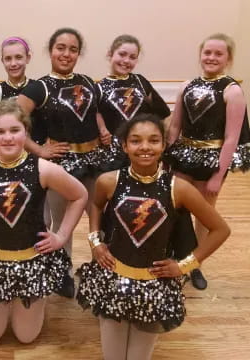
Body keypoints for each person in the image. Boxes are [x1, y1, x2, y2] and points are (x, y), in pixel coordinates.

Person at [77, 113, 230, 360]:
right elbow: (95, 206)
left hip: (154, 286)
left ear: (164, 145)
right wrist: (95, 240)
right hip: (113, 278)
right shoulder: (108, 181)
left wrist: (185, 265)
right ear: (124, 146)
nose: (145, 147)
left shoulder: (179, 188)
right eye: (136, 141)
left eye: (154, 140)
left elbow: (221, 229)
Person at [0, 100, 87, 344]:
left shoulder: (44, 169)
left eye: (14, 131)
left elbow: (79, 195)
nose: (7, 138)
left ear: (26, 133)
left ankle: (31, 301)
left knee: (27, 337)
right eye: (0, 131)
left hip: (32, 261)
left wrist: (60, 236)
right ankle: (2, 302)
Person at [166, 33, 250, 290]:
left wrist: (217, 175)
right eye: (208, 53)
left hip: (211, 161)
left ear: (228, 59)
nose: (211, 58)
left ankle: (195, 263)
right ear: (201, 55)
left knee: (203, 215)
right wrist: (166, 158)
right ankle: (176, 256)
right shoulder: (186, 86)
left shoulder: (232, 90)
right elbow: (176, 125)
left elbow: (231, 138)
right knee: (176, 211)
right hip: (183, 157)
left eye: (218, 54)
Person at [17, 27, 99, 263]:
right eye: (60, 48)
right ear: (50, 51)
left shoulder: (87, 82)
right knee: (62, 222)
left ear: (78, 54)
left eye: (73, 49)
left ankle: (99, 266)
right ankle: (62, 271)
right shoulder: (38, 87)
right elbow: (13, 122)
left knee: (98, 217)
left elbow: (97, 117)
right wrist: (39, 150)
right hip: (60, 166)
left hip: (93, 162)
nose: (66, 54)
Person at [96, 34, 170, 172]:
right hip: (113, 156)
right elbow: (96, 115)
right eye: (122, 54)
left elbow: (161, 113)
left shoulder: (141, 82)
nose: (126, 60)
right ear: (110, 54)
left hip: (142, 152)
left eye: (132, 57)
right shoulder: (99, 88)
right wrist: (103, 131)